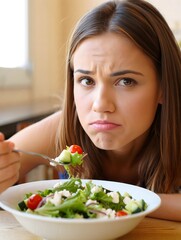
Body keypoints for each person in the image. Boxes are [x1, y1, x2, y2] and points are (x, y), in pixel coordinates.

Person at [0, 0, 180, 221]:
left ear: (163, 87)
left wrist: (106, 199)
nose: (100, 104)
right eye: (86, 80)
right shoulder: (63, 127)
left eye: (126, 81)